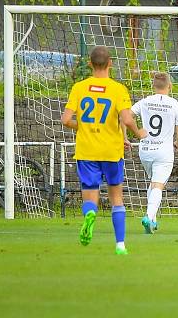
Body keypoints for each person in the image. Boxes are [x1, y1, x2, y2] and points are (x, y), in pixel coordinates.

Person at [60, 46, 147, 255]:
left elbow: (65, 120)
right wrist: (138, 132)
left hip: (87, 150)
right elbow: (126, 118)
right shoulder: (118, 89)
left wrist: (81, 126)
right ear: (110, 64)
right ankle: (120, 245)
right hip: (111, 151)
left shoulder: (79, 88)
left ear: (90, 64)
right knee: (116, 197)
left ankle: (90, 213)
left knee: (90, 196)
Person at [130, 72, 178, 234]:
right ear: (170, 86)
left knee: (154, 183)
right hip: (164, 151)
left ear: (153, 86)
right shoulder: (174, 104)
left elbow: (127, 116)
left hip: (146, 150)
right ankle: (148, 216)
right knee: (158, 186)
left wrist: (136, 132)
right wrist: (177, 144)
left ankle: (153, 220)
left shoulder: (145, 101)